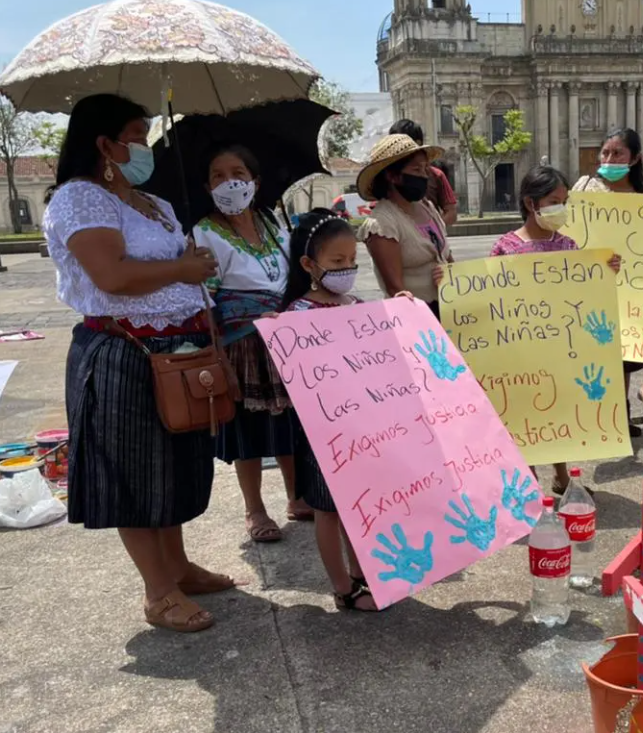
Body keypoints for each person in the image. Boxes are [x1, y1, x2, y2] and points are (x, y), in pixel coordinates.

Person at [44, 93, 232, 634]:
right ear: (105, 144)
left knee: (172, 465)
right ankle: (158, 591)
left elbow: (181, 267)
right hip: (124, 350)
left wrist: (195, 268)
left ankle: (178, 567)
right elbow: (113, 276)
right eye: (135, 138)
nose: (145, 148)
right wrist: (180, 270)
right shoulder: (81, 199)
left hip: (180, 348)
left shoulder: (155, 203)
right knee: (133, 471)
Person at [193, 143, 310, 544]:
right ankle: (254, 509)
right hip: (241, 344)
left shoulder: (272, 221)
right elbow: (205, 301)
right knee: (249, 428)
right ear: (207, 187)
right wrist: (219, 357)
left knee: (290, 421)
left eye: (238, 174)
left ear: (255, 182)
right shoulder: (204, 232)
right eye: (218, 176)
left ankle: (297, 497)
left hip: (284, 338)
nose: (229, 183)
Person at [489, 165, 622, 494]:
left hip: (561, 348)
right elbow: (487, 296)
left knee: (559, 409)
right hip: (520, 350)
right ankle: (529, 477)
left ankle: (562, 475)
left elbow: (584, 291)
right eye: (553, 201)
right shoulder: (505, 247)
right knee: (525, 412)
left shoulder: (568, 245)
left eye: (564, 201)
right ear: (530, 203)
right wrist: (449, 283)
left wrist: (606, 272)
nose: (560, 208)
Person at [281, 210, 376, 612]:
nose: (347, 268)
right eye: (337, 261)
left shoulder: (357, 306)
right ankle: (342, 587)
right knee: (328, 510)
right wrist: (277, 335)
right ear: (309, 264)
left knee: (361, 505)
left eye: (352, 259)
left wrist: (403, 312)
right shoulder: (296, 316)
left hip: (361, 429)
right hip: (323, 435)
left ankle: (363, 574)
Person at [571, 127, 643, 438]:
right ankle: (594, 416)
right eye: (605, 153)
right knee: (595, 352)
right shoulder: (585, 189)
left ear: (635, 158)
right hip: (593, 285)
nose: (609, 159)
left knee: (623, 353)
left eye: (617, 153)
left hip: (634, 291)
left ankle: (619, 415)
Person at [358, 133, 453, 318]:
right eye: (416, 170)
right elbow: (396, 289)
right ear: (392, 176)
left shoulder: (427, 207)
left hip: (449, 309)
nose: (424, 176)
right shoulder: (382, 223)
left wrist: (453, 277)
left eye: (425, 169)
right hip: (416, 316)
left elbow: (448, 258)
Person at [389, 119, 458, 228]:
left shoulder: (436, 175)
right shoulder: (386, 177)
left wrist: (432, 230)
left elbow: (451, 213)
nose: (423, 175)